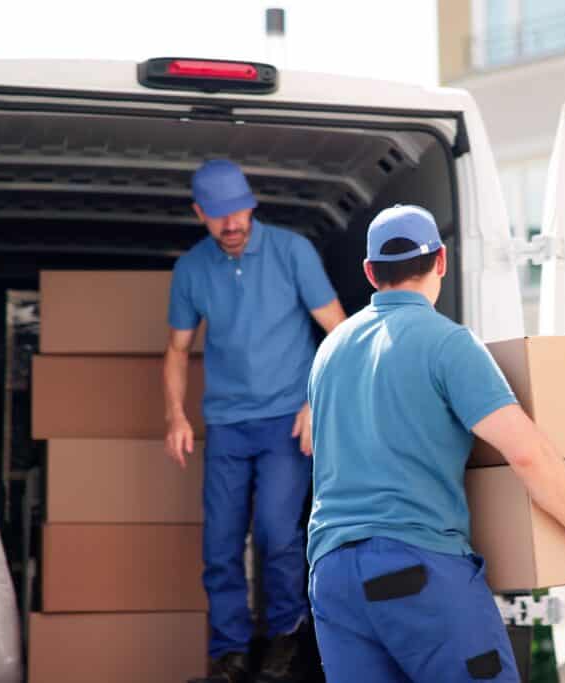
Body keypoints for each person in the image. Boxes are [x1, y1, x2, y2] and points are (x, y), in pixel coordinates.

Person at [306, 204, 565, 682]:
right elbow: (524, 451)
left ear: (371, 272)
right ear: (440, 261)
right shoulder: (448, 344)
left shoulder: (329, 352)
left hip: (332, 579)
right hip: (414, 564)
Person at [164, 159, 346, 683]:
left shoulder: (292, 252)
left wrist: (318, 401)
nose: (232, 225)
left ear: (251, 205)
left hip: (287, 420)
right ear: (201, 214)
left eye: (239, 213)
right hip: (225, 424)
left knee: (275, 532)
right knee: (220, 542)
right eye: (219, 217)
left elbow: (338, 331)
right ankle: (231, 651)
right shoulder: (192, 270)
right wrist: (175, 415)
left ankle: (285, 634)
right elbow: (177, 350)